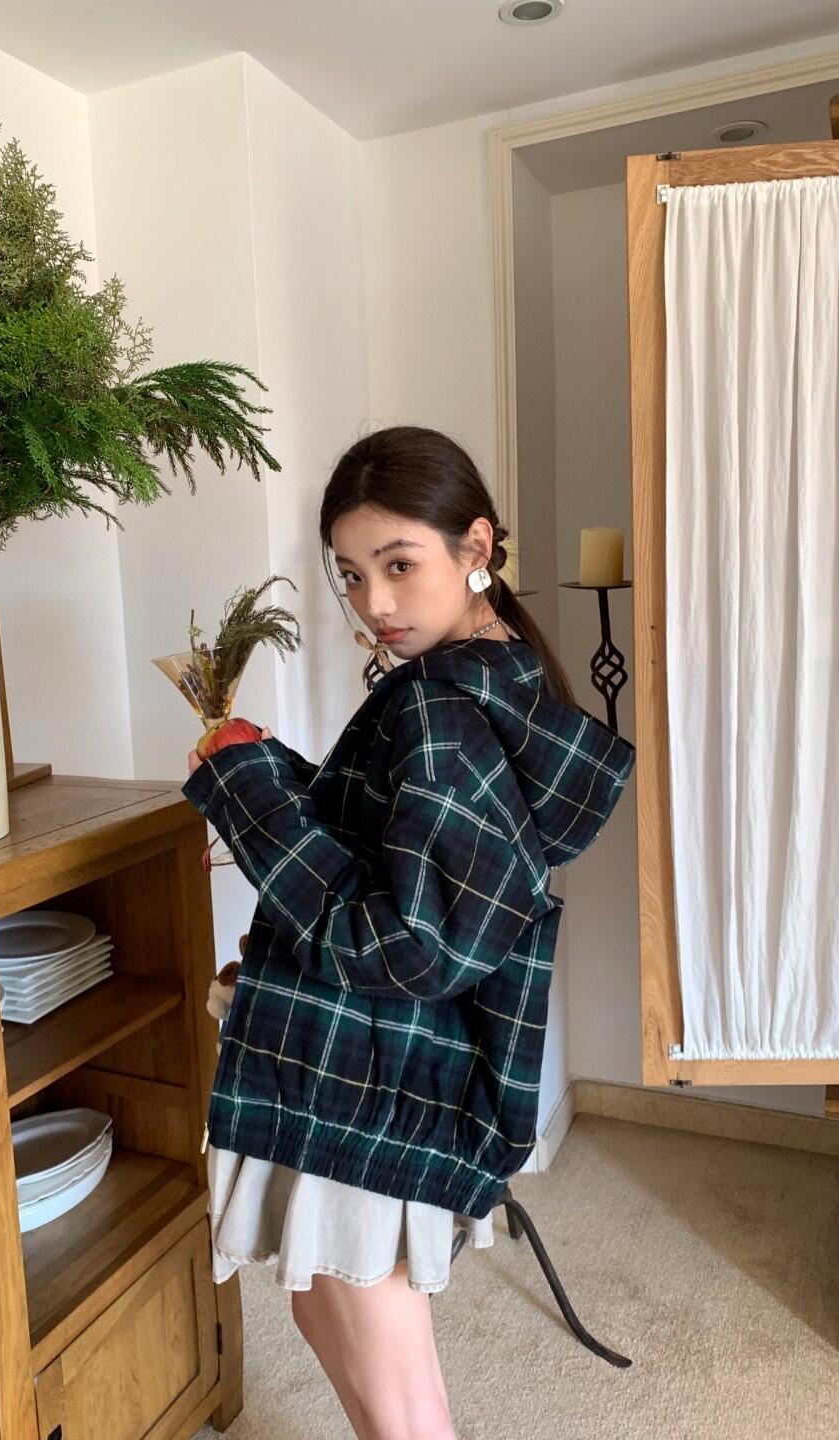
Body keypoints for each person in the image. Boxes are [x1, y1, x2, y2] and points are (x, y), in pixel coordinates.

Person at [181, 425, 635, 1440]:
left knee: (403, 1410)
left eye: (398, 565)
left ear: (476, 546)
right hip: (385, 1068)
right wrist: (273, 772)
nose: (374, 604)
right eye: (351, 575)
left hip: (367, 1082)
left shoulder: (439, 713)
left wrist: (250, 797)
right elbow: (397, 850)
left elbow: (415, 947)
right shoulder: (491, 680)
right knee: (321, 1308)